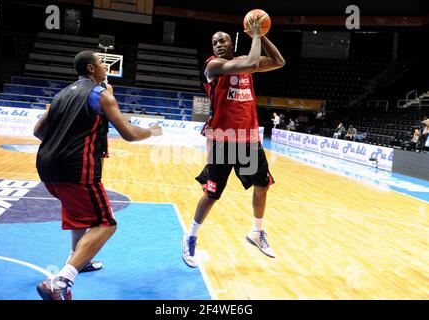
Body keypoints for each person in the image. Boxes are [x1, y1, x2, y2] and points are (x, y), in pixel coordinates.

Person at [33, 51, 162, 300]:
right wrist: (152, 132)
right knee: (105, 224)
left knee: (77, 214)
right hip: (76, 170)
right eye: (103, 63)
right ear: (91, 69)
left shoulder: (62, 94)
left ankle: (81, 258)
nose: (106, 66)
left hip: (46, 167)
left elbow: (38, 130)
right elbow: (129, 134)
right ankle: (61, 281)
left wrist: (62, 143)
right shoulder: (100, 95)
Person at [182, 18, 285, 268]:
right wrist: (257, 35)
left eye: (223, 40)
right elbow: (251, 62)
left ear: (232, 42)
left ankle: (257, 233)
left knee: (263, 185)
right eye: (214, 41)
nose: (218, 44)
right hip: (222, 138)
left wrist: (259, 35)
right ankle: (190, 236)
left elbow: (279, 62)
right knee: (212, 193)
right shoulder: (213, 65)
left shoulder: (244, 61)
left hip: (248, 138)